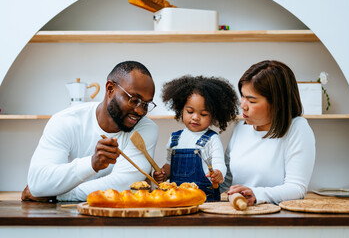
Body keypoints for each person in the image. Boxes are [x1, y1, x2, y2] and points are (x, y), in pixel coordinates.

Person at [21, 61, 159, 202]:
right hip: (66, 219)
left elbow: (124, 185)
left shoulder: (146, 128)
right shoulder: (65, 121)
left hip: (118, 218)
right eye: (134, 100)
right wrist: (92, 163)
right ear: (110, 88)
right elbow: (38, 183)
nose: (140, 111)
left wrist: (56, 195)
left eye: (146, 104)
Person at [222, 60, 316, 206]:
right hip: (237, 212)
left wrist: (256, 194)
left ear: (277, 104)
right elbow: (226, 182)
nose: (243, 105)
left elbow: (297, 188)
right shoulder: (241, 128)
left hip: (277, 219)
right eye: (243, 96)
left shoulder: (297, 128)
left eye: (252, 101)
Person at [153, 75, 239, 201]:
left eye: (203, 114)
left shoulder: (212, 139)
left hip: (205, 201)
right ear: (181, 109)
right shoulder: (175, 138)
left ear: (214, 116)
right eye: (190, 111)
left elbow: (219, 164)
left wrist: (218, 173)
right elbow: (169, 165)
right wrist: (162, 174)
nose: (195, 117)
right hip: (176, 199)